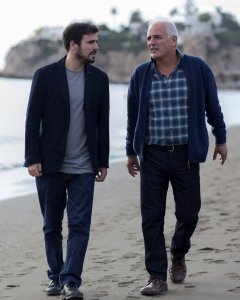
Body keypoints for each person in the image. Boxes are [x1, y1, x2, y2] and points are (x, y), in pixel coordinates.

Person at [126, 19, 228, 296]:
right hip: (152, 156)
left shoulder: (197, 68)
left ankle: (179, 252)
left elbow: (213, 107)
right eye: (148, 38)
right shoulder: (140, 74)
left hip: (186, 155)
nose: (151, 43)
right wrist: (129, 151)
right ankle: (157, 276)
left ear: (173, 40)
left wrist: (221, 138)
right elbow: (133, 117)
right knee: (151, 218)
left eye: (157, 37)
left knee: (189, 214)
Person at [24, 22, 109, 300]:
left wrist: (103, 161)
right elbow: (32, 119)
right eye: (91, 42)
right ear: (74, 45)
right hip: (50, 166)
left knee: (79, 226)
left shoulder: (99, 79)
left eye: (96, 42)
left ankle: (71, 281)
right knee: (51, 226)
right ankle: (55, 276)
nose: (96, 47)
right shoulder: (45, 76)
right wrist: (32, 158)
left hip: (84, 166)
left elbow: (102, 123)